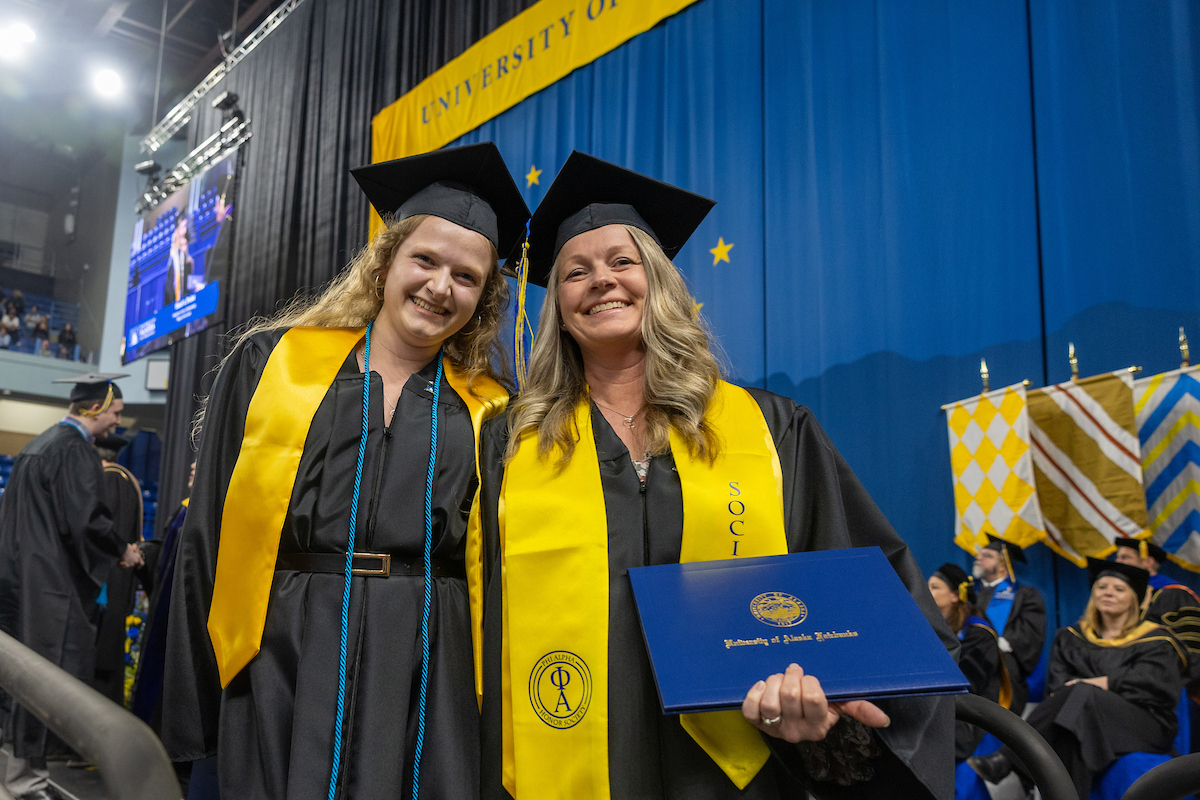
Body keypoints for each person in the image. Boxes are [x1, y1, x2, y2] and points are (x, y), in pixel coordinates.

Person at [476, 152, 957, 800]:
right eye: (575, 272)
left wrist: (826, 703)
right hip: (564, 759)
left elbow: (863, 596)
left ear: (660, 283)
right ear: (558, 307)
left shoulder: (769, 429)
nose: (601, 280)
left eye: (622, 261)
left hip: (738, 770)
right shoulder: (512, 443)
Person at [162, 142, 529, 800]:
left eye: (466, 276)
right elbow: (208, 535)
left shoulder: (491, 410)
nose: (440, 287)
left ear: (482, 298)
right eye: (425, 260)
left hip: (430, 654)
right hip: (285, 644)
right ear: (384, 263)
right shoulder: (273, 367)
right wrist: (196, 701)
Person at [0, 373, 144, 800]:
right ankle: (25, 783)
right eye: (115, 412)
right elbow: (86, 522)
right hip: (50, 588)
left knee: (18, 681)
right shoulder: (74, 451)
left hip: (19, 581)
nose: (117, 421)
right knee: (43, 682)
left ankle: (17, 777)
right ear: (95, 407)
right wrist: (122, 549)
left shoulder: (37, 445)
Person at [969, 558, 1187, 799]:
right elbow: (1057, 688)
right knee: (1074, 724)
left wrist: (1101, 684)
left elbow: (1155, 687)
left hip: (1144, 725)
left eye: (1119, 589)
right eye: (1101, 587)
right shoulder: (1070, 637)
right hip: (1080, 721)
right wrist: (1096, 688)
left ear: (1134, 598)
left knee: (1082, 694)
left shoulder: (1156, 640)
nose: (1108, 593)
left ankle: (1011, 759)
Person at [928, 563, 1010, 762]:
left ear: (955, 595)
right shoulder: (930, 628)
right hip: (938, 705)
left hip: (969, 714)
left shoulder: (980, 635)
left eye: (935, 587)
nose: (927, 592)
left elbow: (969, 684)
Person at [92, 434, 149, 705]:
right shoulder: (126, 479)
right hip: (119, 581)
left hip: (107, 584)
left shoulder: (110, 480)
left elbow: (105, 534)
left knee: (101, 660)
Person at [973, 535, 1045, 715]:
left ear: (1003, 565)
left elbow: (1030, 633)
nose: (978, 558)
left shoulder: (1024, 595)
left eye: (987, 556)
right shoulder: (970, 594)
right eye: (979, 554)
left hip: (1004, 667)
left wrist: (998, 642)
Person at [1114, 536, 1200, 683]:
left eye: (1125, 557)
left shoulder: (1175, 593)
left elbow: (1190, 645)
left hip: (1164, 677)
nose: (1117, 562)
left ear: (1148, 562)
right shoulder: (1121, 596)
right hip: (1122, 673)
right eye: (1118, 557)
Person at [163, 214, 195, 306]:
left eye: (185, 227)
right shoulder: (174, 256)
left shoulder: (187, 256)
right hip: (174, 297)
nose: (185, 230)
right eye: (183, 227)